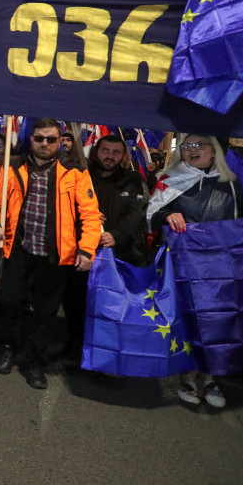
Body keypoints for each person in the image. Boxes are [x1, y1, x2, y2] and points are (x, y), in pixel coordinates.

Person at [0, 118, 102, 390]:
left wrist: (86, 248)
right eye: (39, 138)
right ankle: (7, 347)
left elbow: (91, 214)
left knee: (46, 312)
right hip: (19, 249)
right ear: (31, 139)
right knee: (9, 302)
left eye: (51, 139)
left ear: (60, 140)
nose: (45, 143)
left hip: (56, 255)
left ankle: (34, 362)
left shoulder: (74, 171)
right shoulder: (12, 167)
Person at [146, 133, 243, 409]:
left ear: (213, 151)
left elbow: (242, 225)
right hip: (183, 265)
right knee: (189, 321)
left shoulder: (231, 186)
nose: (193, 150)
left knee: (215, 323)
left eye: (199, 145)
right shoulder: (168, 180)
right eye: (188, 145)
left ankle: (210, 376)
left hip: (219, 267)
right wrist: (166, 215)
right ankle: (188, 376)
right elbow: (150, 215)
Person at [63, 135, 149, 362]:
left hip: (117, 256)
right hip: (84, 253)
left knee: (109, 308)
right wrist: (85, 218)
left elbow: (137, 212)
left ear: (123, 156)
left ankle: (105, 357)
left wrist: (116, 235)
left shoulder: (132, 179)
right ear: (96, 151)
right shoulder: (83, 175)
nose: (109, 156)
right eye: (105, 150)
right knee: (76, 303)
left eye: (115, 152)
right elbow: (68, 207)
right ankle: (75, 349)